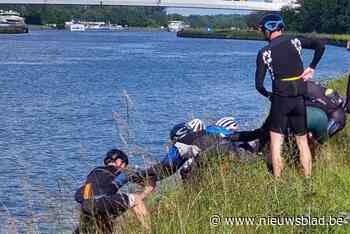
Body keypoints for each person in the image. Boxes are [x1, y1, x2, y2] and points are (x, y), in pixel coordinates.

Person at [255, 14, 325, 182]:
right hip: (299, 98)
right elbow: (320, 46)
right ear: (282, 28)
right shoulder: (295, 41)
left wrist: (269, 96)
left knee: (276, 145)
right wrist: (312, 67)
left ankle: (278, 187)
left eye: (262, 30)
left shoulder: (264, 52)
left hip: (281, 100)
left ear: (267, 30)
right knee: (302, 143)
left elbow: (259, 85)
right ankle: (308, 183)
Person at [74, 149, 155, 234]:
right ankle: (150, 231)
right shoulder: (121, 171)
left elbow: (78, 195)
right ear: (119, 161)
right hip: (103, 202)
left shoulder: (93, 172)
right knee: (136, 199)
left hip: (86, 205)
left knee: (102, 225)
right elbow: (146, 180)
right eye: (125, 165)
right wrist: (147, 190)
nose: (125, 167)